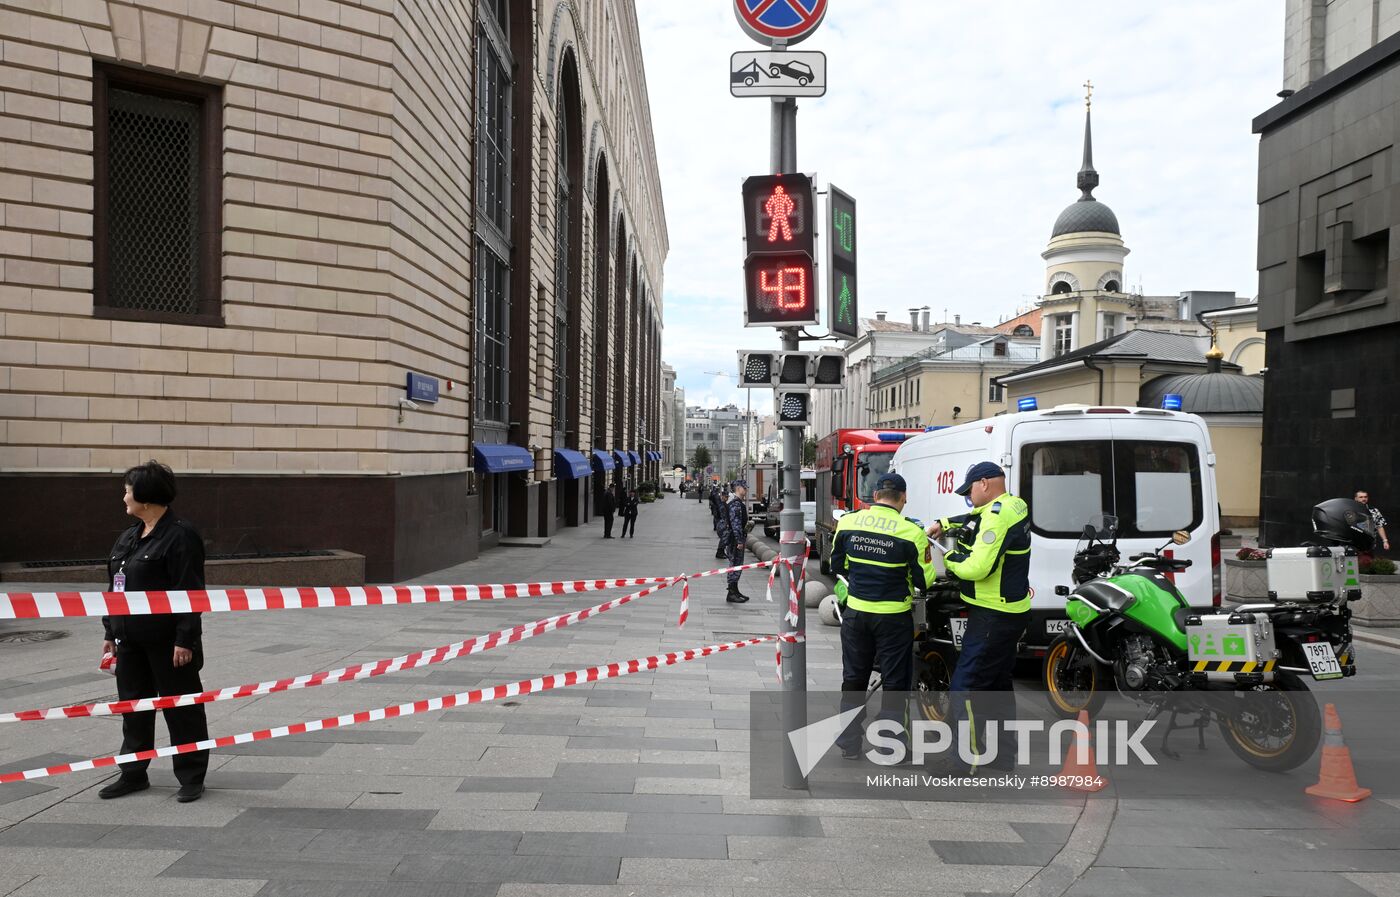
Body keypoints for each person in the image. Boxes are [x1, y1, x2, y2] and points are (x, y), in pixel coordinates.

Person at [99, 460, 210, 803]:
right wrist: (109, 631)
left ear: (146, 498)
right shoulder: (129, 536)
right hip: (129, 641)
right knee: (133, 709)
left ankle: (191, 776)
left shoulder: (180, 535)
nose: (124, 498)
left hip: (168, 644)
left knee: (182, 710)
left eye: (128, 491)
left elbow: (190, 591)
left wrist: (185, 638)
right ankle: (133, 774)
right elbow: (115, 588)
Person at [928, 461, 1031, 773]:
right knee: (998, 685)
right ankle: (1001, 756)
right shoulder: (1012, 505)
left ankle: (964, 759)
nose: (968, 499)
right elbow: (973, 518)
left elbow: (977, 568)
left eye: (969, 491)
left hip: (992, 614)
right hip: (1010, 612)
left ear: (984, 483)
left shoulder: (998, 516)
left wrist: (950, 559)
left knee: (966, 685)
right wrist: (943, 523)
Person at [832, 473, 936, 762]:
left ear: (875, 495)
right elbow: (924, 580)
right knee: (895, 682)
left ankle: (849, 743)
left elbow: (837, 565)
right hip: (893, 618)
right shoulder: (911, 532)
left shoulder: (849, 522)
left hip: (856, 615)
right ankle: (891, 746)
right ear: (903, 498)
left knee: (853, 678)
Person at [1356, 491, 1390, 557]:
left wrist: (1385, 541)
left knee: (1368, 563)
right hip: (1353, 544)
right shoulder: (1349, 510)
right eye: (1361, 497)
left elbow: (1379, 526)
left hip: (1369, 544)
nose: (1363, 499)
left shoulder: (1374, 510)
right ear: (1356, 498)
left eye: (1365, 497)